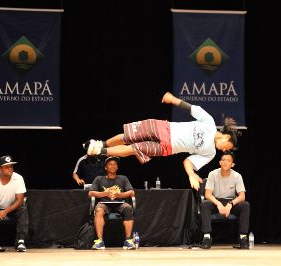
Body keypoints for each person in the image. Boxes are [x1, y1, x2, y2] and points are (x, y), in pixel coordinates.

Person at [84, 91, 239, 191]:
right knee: (128, 136)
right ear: (227, 137)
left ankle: (99, 151)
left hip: (166, 148)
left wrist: (191, 175)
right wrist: (172, 99)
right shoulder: (209, 123)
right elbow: (191, 108)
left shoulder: (210, 153)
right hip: (163, 128)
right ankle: (102, 144)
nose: (225, 150)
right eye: (228, 147)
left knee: (134, 149)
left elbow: (188, 162)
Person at [198, 151, 250, 249]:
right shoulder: (212, 174)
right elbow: (208, 194)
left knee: (245, 205)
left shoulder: (237, 176)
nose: (225, 162)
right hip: (216, 200)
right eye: (223, 160)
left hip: (231, 201)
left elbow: (242, 196)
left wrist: (230, 204)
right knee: (205, 204)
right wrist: (218, 204)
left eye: (228, 161)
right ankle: (207, 237)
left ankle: (243, 237)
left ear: (232, 164)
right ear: (220, 162)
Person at [88, 156, 136, 250]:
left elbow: (131, 192)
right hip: (104, 203)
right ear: (106, 167)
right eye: (110, 164)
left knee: (128, 209)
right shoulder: (99, 179)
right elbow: (90, 193)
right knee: (98, 210)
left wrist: (119, 195)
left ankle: (128, 241)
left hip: (119, 203)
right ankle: (100, 241)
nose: (113, 166)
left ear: (117, 167)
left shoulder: (123, 178)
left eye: (115, 164)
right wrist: (105, 193)